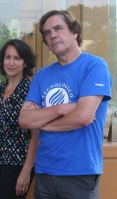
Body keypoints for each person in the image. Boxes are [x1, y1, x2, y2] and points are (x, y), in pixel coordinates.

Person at [18, 10, 113, 199]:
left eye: (58, 28)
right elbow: (25, 120)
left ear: (74, 32)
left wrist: (44, 124)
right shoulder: (42, 76)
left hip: (79, 172)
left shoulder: (94, 66)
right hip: (45, 171)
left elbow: (83, 117)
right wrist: (61, 109)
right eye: (47, 32)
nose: (52, 35)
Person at [0, 39, 38, 199]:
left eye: (17, 58)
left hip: (19, 163)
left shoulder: (30, 92)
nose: (11, 63)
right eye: (7, 57)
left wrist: (26, 171)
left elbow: (36, 136)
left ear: (25, 63)